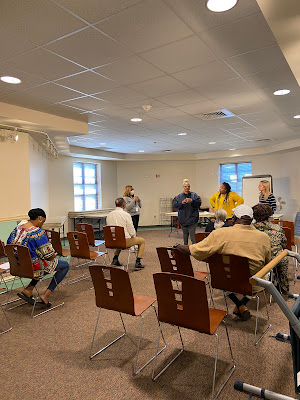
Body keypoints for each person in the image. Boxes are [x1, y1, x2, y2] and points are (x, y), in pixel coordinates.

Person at [176, 205, 271, 321]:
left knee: (226, 272)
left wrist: (178, 246)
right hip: (253, 283)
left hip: (224, 280)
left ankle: (239, 306)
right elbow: (267, 262)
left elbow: (195, 250)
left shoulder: (219, 234)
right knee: (266, 274)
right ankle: (241, 304)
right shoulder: (264, 238)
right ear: (251, 220)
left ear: (234, 219)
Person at [7, 208, 69, 308]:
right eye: (43, 222)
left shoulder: (17, 229)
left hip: (16, 267)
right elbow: (49, 257)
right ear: (40, 218)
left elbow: (10, 246)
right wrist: (54, 254)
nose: (42, 225)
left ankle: (28, 290)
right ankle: (46, 295)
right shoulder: (37, 232)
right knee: (64, 265)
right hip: (32, 269)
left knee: (39, 261)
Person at [253, 204, 289, 294]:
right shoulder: (277, 227)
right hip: (276, 259)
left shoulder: (251, 228)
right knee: (282, 257)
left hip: (257, 258)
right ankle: (283, 287)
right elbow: (284, 243)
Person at [106, 198, 145, 269]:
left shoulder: (109, 215)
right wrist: (133, 236)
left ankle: (115, 259)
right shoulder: (126, 215)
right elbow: (132, 232)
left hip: (111, 241)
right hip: (124, 241)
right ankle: (138, 262)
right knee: (142, 241)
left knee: (118, 238)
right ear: (124, 205)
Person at [173, 179, 201, 245]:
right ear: (183, 187)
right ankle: (185, 251)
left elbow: (199, 204)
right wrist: (181, 203)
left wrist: (192, 201)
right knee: (185, 237)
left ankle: (195, 251)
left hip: (192, 219)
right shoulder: (179, 197)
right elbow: (175, 205)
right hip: (183, 219)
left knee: (193, 237)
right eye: (185, 186)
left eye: (188, 186)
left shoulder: (194, 195)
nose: (187, 188)